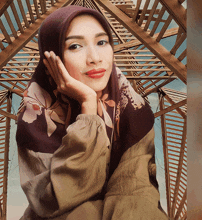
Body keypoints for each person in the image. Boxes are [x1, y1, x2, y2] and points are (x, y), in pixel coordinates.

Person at [16, 5, 168, 220]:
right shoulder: (34, 121)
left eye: (102, 42)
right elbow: (55, 201)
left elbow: (135, 192)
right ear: (51, 58)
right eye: (76, 46)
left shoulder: (132, 110)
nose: (95, 58)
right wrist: (88, 106)